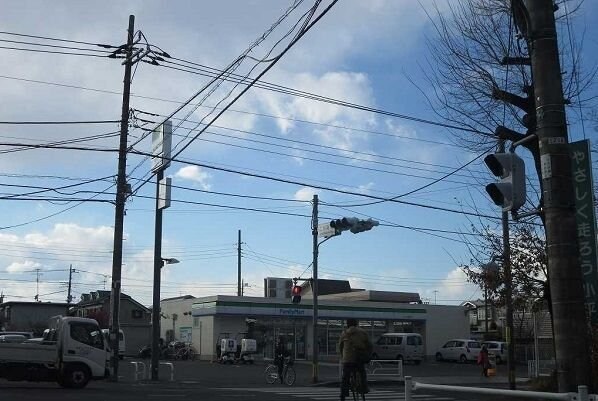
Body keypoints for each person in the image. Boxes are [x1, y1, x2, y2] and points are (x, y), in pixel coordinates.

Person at [338, 318, 373, 400]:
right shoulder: (363, 332)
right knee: (362, 372)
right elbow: (370, 345)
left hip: (348, 359)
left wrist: (343, 356)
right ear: (356, 324)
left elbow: (340, 346)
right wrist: (368, 354)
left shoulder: (344, 333)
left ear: (347, 324)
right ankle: (364, 388)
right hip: (359, 358)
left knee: (345, 377)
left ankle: (343, 395)